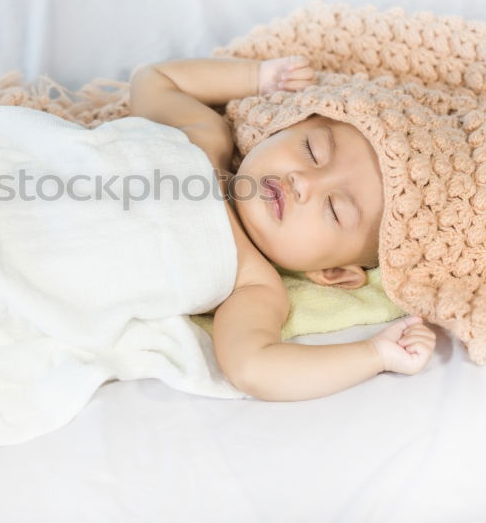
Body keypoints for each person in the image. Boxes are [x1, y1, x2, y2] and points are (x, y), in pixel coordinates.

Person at [129, 56, 436, 402]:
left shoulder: (250, 284)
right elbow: (154, 79)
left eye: (334, 209)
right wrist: (259, 77)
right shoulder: (203, 139)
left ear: (332, 272)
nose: (303, 182)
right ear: (281, 128)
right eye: (312, 150)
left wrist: (376, 354)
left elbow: (254, 368)